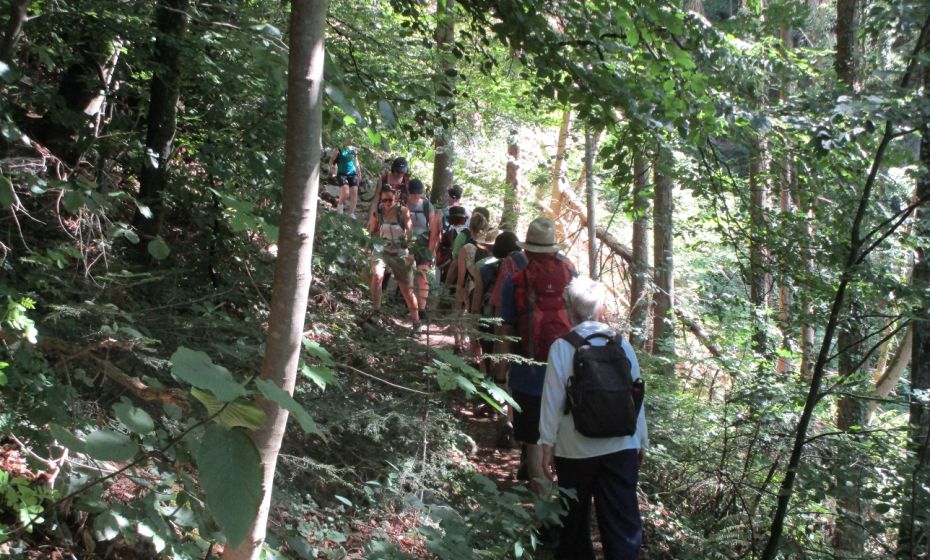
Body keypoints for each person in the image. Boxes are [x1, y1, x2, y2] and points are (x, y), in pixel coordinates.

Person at [538, 276, 648, 560]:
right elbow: (636, 395)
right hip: (621, 445)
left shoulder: (562, 346)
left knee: (573, 521)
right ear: (601, 310)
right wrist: (640, 441)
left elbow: (552, 400)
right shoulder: (622, 344)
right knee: (622, 522)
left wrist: (547, 444)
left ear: (568, 311)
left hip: (574, 449)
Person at [499, 216, 577, 490]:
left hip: (528, 374)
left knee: (533, 442)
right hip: (568, 373)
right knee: (562, 439)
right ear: (554, 248)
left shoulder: (515, 281)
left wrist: (500, 375)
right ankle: (565, 503)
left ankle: (542, 505)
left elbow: (506, 330)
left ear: (527, 250)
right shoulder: (571, 275)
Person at [367, 185, 420, 325]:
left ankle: (416, 322)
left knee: (407, 291)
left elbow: (410, 232)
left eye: (390, 199)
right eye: (384, 200)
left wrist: (411, 253)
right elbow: (372, 231)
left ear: (395, 198)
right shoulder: (378, 211)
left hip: (400, 252)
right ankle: (376, 311)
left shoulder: (403, 211)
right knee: (377, 275)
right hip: (382, 249)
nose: (387, 203)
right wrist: (367, 247)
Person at [407, 179, 435, 322]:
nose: (416, 196)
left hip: (424, 244)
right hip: (407, 243)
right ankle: (411, 306)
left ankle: (422, 310)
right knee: (408, 276)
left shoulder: (426, 205)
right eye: (413, 193)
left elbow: (433, 228)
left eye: (418, 193)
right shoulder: (404, 204)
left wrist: (431, 249)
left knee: (422, 276)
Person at [369, 157, 411, 222]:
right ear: (393, 169)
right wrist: (371, 217)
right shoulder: (383, 180)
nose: (400, 174)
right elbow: (375, 200)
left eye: (402, 172)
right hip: (385, 209)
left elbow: (411, 198)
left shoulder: (406, 182)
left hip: (401, 211)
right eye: (398, 171)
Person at [329, 144, 362, 216]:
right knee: (346, 192)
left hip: (353, 174)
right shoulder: (339, 149)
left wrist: (359, 172)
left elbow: (356, 161)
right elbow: (332, 160)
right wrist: (331, 168)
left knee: (354, 192)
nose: (351, 140)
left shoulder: (353, 149)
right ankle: (340, 205)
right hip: (342, 174)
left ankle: (351, 213)